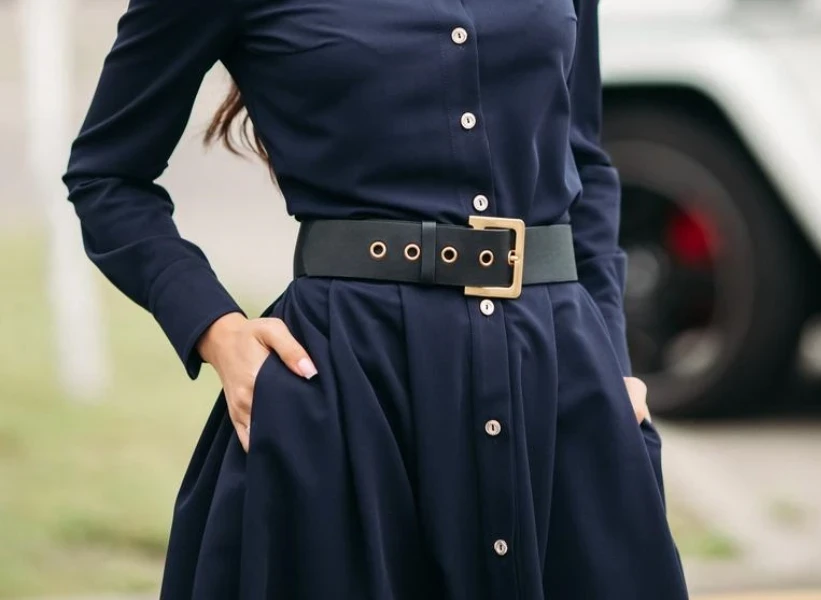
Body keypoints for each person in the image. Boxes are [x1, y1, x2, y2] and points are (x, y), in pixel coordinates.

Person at [63, 0, 689, 597]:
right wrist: (216, 328)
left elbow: (584, 159)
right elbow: (107, 177)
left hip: (561, 383)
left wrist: (613, 358)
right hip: (350, 396)